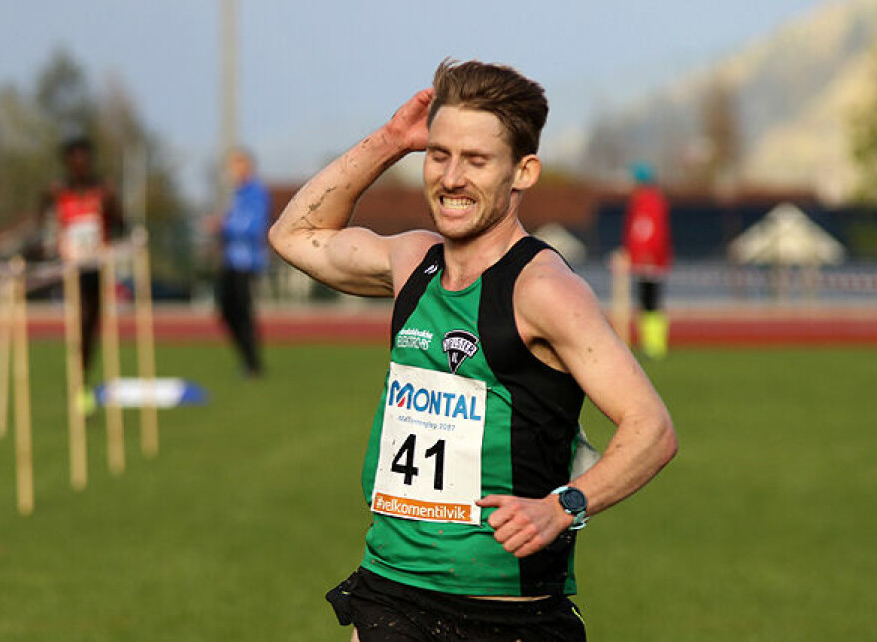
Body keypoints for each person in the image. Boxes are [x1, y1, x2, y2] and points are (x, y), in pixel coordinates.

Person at [269, 60, 677, 641]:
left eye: (476, 160)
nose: (451, 178)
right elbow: (295, 235)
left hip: (508, 613)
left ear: (523, 172)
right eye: (439, 155)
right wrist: (391, 142)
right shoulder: (412, 260)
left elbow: (652, 428)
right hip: (392, 590)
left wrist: (564, 505)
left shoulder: (545, 292)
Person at [39, 134, 125, 398]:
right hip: (70, 266)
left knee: (91, 323)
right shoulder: (57, 190)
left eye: (84, 160)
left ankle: (83, 375)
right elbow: (40, 220)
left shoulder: (103, 189)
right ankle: (80, 378)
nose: (80, 165)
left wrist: (113, 206)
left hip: (96, 264)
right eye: (74, 161)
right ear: (68, 163)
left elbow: (122, 224)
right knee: (80, 320)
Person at [213, 148, 270, 377]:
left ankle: (253, 363)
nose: (231, 171)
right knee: (226, 309)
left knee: (243, 312)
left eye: (235, 165)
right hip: (231, 260)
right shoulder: (238, 194)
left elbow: (253, 226)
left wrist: (223, 227)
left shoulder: (255, 193)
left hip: (246, 263)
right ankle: (247, 359)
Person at [623, 162, 673, 359]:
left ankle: (655, 344)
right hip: (644, 259)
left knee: (651, 300)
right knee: (645, 301)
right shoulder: (641, 203)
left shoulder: (651, 203)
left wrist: (647, 252)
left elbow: (650, 230)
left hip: (651, 260)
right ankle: (649, 342)